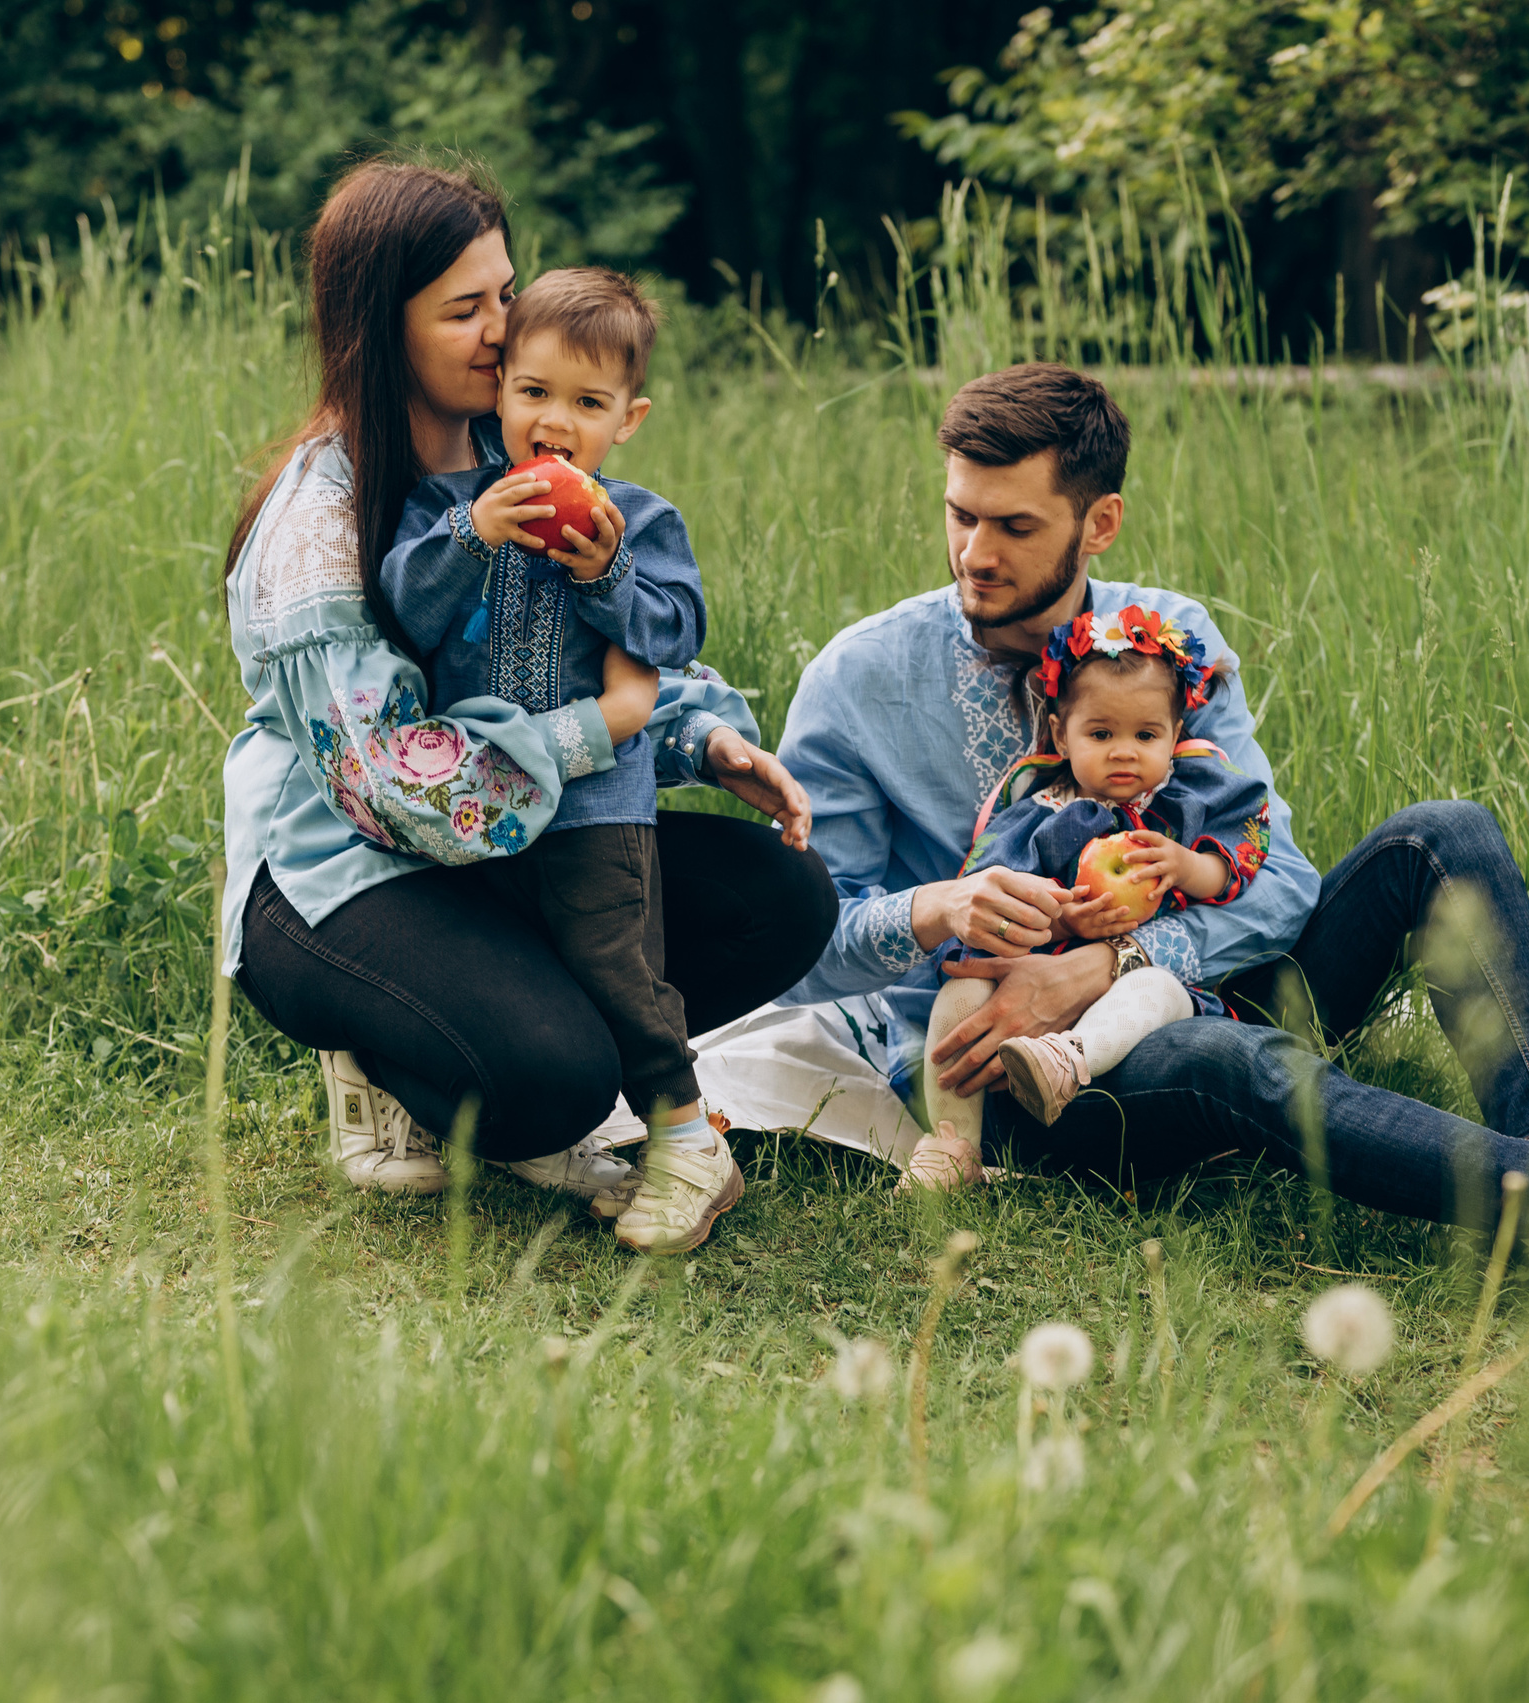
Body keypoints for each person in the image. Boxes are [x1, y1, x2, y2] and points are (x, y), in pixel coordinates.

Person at [775, 362, 1529, 1322]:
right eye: (959, 513)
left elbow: (1280, 882)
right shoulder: (858, 679)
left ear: (1099, 523)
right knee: (1222, 1054)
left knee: (1445, 835)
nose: (973, 552)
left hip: (1200, 981)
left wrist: (1118, 957)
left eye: (1011, 523)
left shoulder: (1171, 641)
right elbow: (806, 943)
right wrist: (931, 910)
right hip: (1026, 1069)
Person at [219, 158, 830, 1240]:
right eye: (466, 309)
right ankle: (383, 1056)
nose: (506, 332)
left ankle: (508, 1022)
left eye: (505, 292)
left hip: (520, 843)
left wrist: (703, 735)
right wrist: (609, 726)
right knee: (551, 1079)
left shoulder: (515, 443)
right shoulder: (323, 527)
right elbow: (396, 789)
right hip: (348, 870)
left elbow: (592, 635)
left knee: (781, 897)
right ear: (380, 327)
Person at [380, 266, 748, 1253]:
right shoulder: (447, 505)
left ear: (629, 417)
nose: (553, 421)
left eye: (586, 402)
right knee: (484, 951)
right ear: (497, 392)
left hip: (595, 805)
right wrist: (470, 533)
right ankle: (472, 1115)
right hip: (470, 804)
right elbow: (398, 610)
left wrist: (603, 569)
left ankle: (686, 1138)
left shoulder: (638, 519)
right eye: (533, 392)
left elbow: (675, 628)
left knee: (615, 963)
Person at [908, 602, 1274, 1178]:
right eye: (1100, 733)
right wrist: (1062, 922)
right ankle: (953, 1143)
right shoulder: (1039, 816)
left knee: (1155, 985)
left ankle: (1066, 1059)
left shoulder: (1186, 803)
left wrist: (1185, 866)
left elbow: (1240, 865)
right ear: (1061, 732)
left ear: (1176, 734)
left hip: (1132, 1002)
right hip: (1035, 992)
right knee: (961, 993)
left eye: (1146, 734)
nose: (1124, 750)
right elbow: (986, 905)